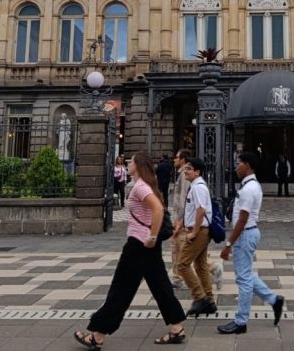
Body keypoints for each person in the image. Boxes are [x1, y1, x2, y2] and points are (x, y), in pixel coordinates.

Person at [74, 152, 186, 349]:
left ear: (139, 165)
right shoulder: (146, 185)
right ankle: (177, 328)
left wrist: (151, 237)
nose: (128, 163)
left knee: (121, 289)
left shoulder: (140, 187)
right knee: (161, 287)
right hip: (147, 246)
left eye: (131, 161)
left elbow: (158, 209)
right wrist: (152, 238)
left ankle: (97, 335)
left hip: (138, 245)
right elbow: (156, 209)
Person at [217, 151, 284, 334]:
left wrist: (228, 245)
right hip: (247, 233)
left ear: (248, 165)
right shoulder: (249, 186)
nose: (236, 166)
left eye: (239, 163)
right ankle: (273, 300)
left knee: (244, 279)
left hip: (245, 234)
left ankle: (241, 321)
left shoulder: (249, 189)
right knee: (246, 274)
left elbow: (242, 219)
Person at [178, 157, 218, 317]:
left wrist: (193, 232)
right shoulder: (195, 186)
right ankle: (209, 300)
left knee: (182, 265)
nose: (184, 171)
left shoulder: (198, 187)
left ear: (197, 172)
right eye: (185, 168)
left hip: (199, 231)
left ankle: (200, 297)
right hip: (198, 229)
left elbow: (201, 210)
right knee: (200, 266)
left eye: (188, 168)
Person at [169, 149, 192, 289]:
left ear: (182, 159)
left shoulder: (184, 174)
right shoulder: (182, 173)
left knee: (184, 249)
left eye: (176, 157)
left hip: (180, 219)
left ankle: (212, 268)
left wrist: (179, 220)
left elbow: (183, 198)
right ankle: (177, 278)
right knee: (176, 248)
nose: (174, 160)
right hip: (178, 217)